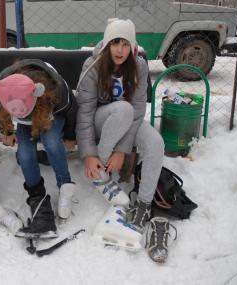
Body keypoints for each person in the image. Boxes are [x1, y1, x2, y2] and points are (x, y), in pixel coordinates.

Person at [75, 18, 169, 262]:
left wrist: (122, 150)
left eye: (125, 44)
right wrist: (90, 155)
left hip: (127, 120)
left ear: (132, 47)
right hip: (99, 120)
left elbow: (138, 111)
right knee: (123, 109)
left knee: (156, 143)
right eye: (115, 43)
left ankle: (144, 204)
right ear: (107, 44)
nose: (119, 50)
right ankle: (102, 175)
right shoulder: (93, 64)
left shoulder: (139, 66)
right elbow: (84, 114)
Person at [0, 59, 77, 238]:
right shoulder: (0, 89)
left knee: (51, 141)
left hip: (48, 112)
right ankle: (38, 199)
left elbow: (70, 110)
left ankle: (65, 185)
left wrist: (70, 135)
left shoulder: (56, 90)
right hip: (22, 117)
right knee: (25, 154)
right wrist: (7, 130)